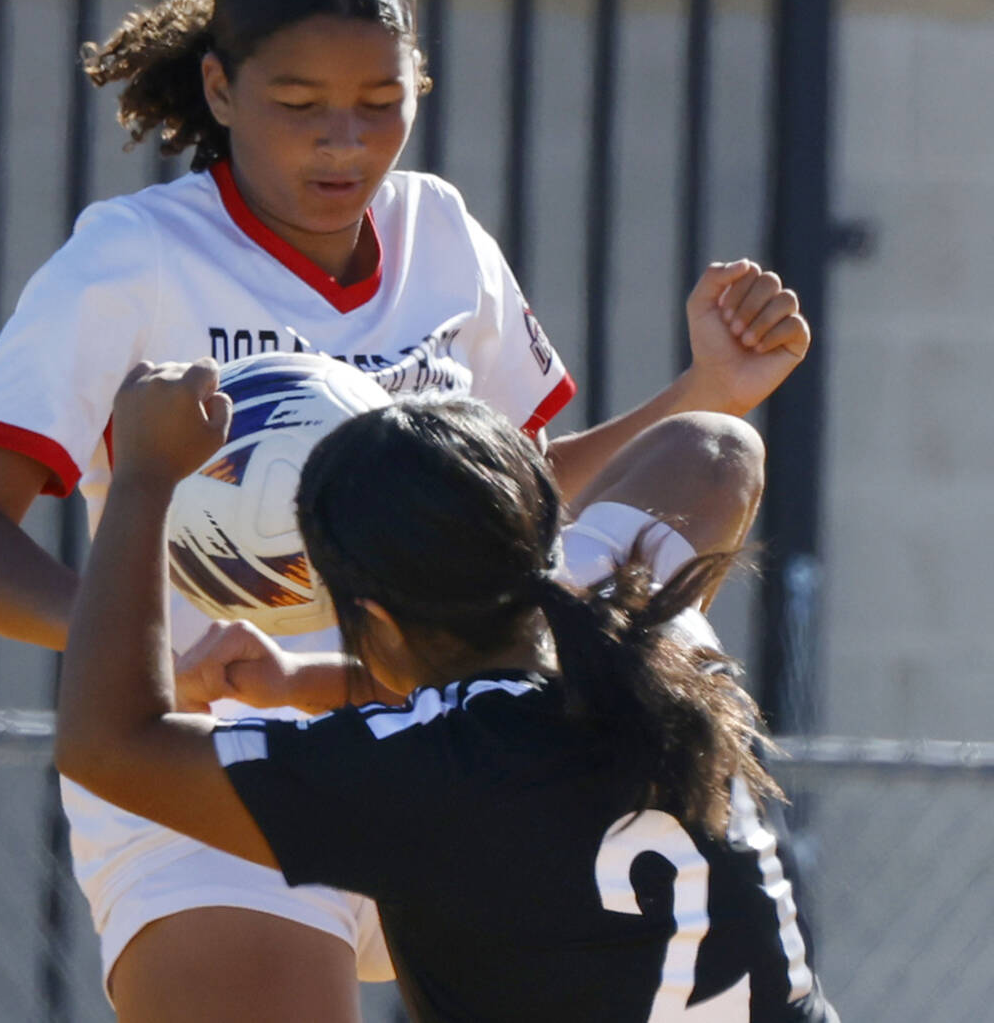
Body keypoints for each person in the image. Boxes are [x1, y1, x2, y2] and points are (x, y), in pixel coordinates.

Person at [0, 0, 809, 1022]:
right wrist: (164, 639)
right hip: (222, 762)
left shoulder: (443, 236)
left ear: (419, 85)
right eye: (297, 105)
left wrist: (705, 391)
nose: (343, 140)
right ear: (222, 89)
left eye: (380, 104)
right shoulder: (128, 261)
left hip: (461, 750)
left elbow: (521, 497)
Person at [54, 362, 838, 1023]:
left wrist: (143, 478)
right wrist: (305, 681)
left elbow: (108, 745)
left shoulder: (418, 778)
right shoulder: (654, 631)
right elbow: (714, 443)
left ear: (376, 618)